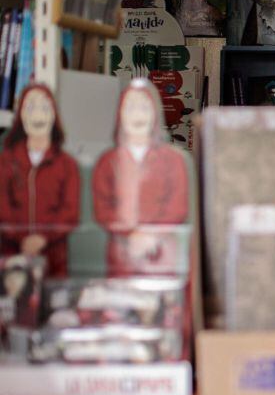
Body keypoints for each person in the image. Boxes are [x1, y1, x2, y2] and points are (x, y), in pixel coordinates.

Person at [92, 81, 190, 277]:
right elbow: (103, 208)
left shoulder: (174, 160)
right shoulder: (107, 162)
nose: (138, 114)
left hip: (162, 254)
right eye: (131, 107)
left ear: (155, 113)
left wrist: (151, 235)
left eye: (144, 107)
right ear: (120, 114)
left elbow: (177, 206)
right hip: (121, 254)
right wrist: (130, 235)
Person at [0, 85, 81, 279]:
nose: (38, 114)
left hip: (54, 261)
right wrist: (22, 239)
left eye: (44, 107)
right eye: (31, 107)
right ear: (21, 116)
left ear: (54, 116)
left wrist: (43, 238)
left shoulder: (67, 165)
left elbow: (70, 213)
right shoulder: (6, 161)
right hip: (12, 259)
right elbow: (2, 205)